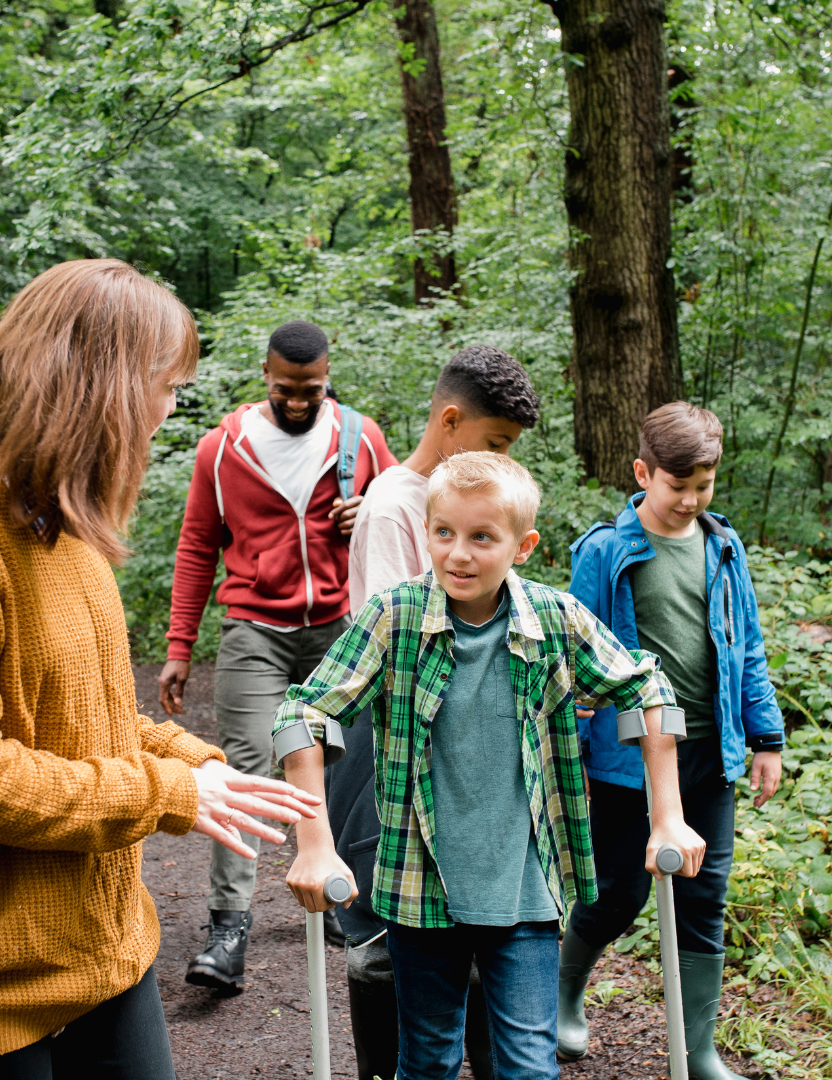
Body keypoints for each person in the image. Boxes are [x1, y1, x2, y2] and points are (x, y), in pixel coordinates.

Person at [0, 259, 322, 1079]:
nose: (170, 410)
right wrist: (169, 793)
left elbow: (84, 719)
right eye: (165, 385)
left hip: (102, 956)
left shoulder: (63, 525)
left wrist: (200, 768)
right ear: (98, 384)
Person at [273, 452, 706, 1080]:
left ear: (522, 545)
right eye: (444, 532)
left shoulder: (555, 621)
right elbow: (304, 714)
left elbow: (647, 690)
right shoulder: (394, 617)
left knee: (529, 1065)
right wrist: (314, 844)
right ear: (427, 532)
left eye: (482, 537)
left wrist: (667, 817)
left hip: (525, 889)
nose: (459, 554)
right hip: (421, 890)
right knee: (428, 1060)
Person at [159, 320, 397, 993]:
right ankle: (228, 930)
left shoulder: (363, 439)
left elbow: (404, 516)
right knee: (245, 769)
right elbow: (198, 545)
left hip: (340, 628)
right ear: (266, 376)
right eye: (286, 389)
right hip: (254, 629)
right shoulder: (223, 447)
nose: (298, 401)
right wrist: (180, 646)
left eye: (312, 390)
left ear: (328, 378)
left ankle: (343, 900)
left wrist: (366, 516)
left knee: (349, 764)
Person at [560, 402, 785, 1080]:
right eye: (676, 484)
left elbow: (746, 648)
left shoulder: (724, 546)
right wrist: (567, 745)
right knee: (618, 891)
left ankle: (699, 1051)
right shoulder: (605, 550)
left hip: (709, 750)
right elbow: (574, 658)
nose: (690, 499)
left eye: (704, 485)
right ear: (642, 472)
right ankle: (563, 997)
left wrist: (766, 736)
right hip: (627, 755)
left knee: (703, 893)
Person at [334, 344, 539, 1080]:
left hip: (454, 753)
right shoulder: (396, 507)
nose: (502, 461)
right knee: (384, 941)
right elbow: (402, 641)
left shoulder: (448, 504)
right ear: (450, 422)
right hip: (389, 751)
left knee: (472, 934)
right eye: (496, 444)